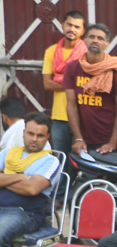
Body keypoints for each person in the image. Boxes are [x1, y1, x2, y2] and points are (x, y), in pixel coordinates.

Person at [0, 113, 61, 247]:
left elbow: (32, 189)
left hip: (24, 213)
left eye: (40, 135)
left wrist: (4, 178)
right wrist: (20, 177)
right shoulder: (7, 153)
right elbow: (27, 184)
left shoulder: (50, 161)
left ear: (47, 137)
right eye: (31, 134)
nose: (34, 139)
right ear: (24, 133)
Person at [63, 24, 117, 156]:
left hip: (108, 139)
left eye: (100, 38)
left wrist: (112, 142)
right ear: (85, 40)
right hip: (82, 139)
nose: (95, 40)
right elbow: (71, 105)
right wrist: (78, 138)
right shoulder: (72, 67)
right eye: (92, 37)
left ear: (107, 44)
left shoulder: (116, 70)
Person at [41, 10, 86, 154]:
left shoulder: (87, 53)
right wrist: (74, 84)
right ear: (62, 25)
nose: (72, 29)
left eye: (77, 27)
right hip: (59, 116)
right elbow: (47, 84)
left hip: (84, 115)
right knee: (61, 159)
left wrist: (63, 83)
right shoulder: (52, 51)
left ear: (83, 31)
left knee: (85, 158)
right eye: (69, 25)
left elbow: (87, 85)